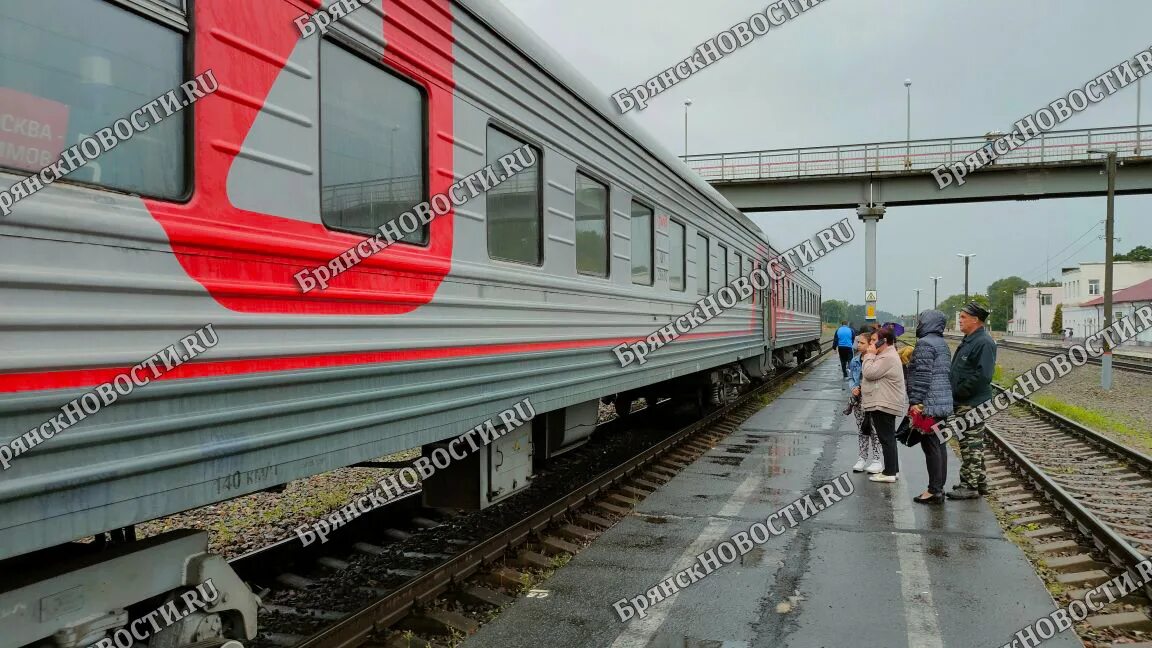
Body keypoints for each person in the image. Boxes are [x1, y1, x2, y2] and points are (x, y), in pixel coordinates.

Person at [947, 302, 997, 500]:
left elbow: (983, 375)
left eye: (963, 318)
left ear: (976, 320)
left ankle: (969, 486)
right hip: (965, 401)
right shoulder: (971, 339)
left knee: (971, 445)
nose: (960, 320)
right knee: (971, 443)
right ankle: (980, 482)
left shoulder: (984, 342)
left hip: (972, 402)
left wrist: (960, 391)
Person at [905, 310, 954, 504]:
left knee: (931, 446)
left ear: (926, 322)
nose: (918, 323)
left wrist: (916, 401)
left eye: (920, 320)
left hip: (929, 403)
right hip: (941, 401)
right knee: (939, 445)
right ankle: (938, 487)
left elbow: (923, 376)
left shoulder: (925, 344)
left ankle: (934, 491)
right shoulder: (942, 343)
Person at [861, 327, 906, 483]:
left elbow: (869, 373)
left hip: (884, 402)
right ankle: (893, 470)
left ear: (883, 341)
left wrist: (869, 355)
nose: (871, 344)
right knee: (888, 438)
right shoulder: (888, 355)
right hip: (885, 401)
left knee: (886, 438)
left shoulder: (887, 357)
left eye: (874, 340)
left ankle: (889, 473)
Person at [845, 332, 882, 473]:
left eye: (862, 343)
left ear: (869, 344)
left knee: (874, 431)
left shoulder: (876, 360)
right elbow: (851, 378)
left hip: (873, 400)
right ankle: (862, 458)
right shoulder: (855, 361)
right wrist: (853, 387)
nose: (858, 345)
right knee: (862, 429)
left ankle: (877, 459)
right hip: (858, 401)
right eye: (858, 343)